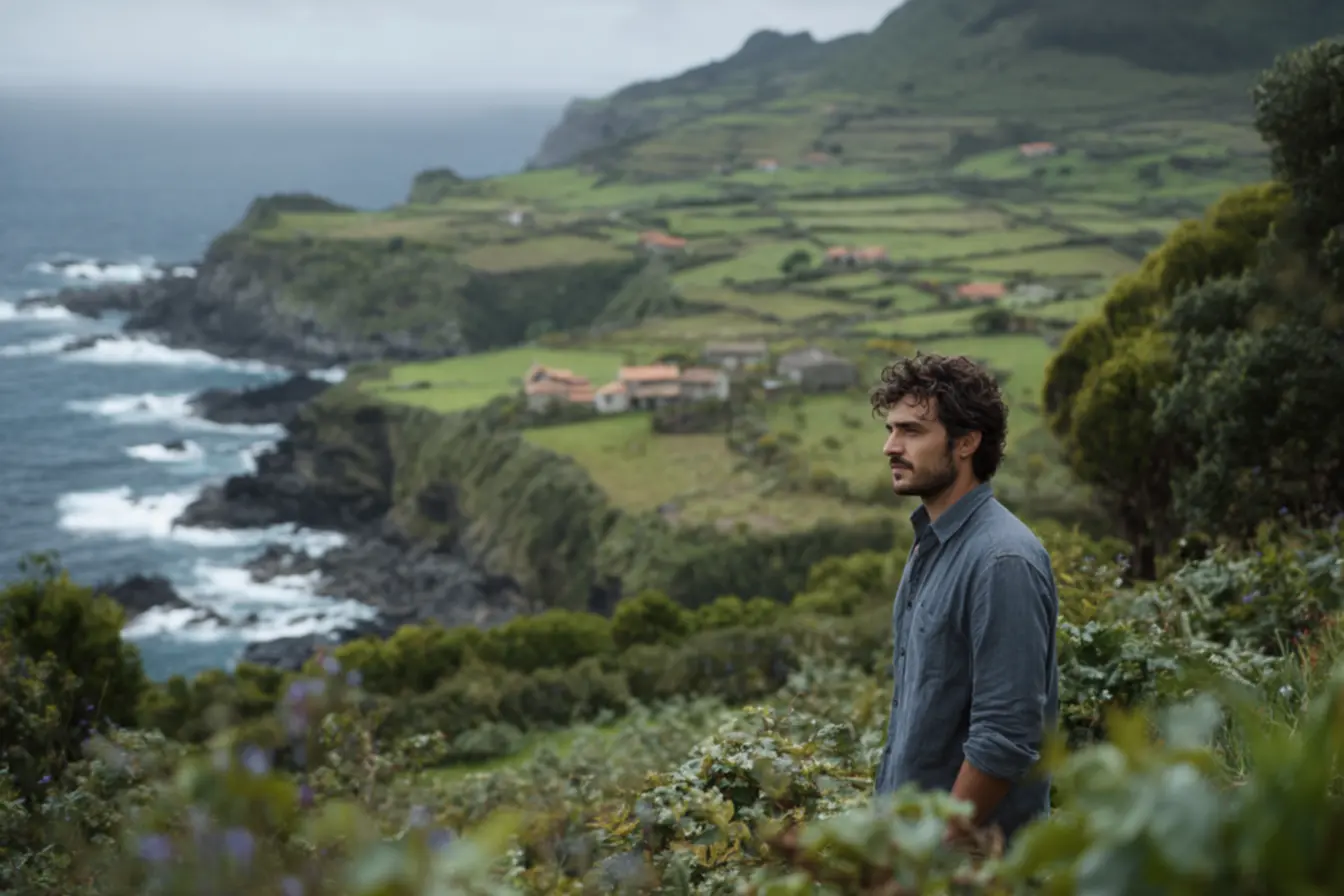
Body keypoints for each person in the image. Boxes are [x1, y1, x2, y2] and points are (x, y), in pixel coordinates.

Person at [870, 352, 1059, 847]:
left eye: (911, 431)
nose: (891, 446)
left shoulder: (1002, 560)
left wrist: (933, 853)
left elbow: (1006, 738)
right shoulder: (931, 543)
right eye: (891, 430)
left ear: (967, 443)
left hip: (970, 868)